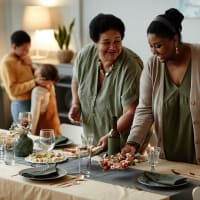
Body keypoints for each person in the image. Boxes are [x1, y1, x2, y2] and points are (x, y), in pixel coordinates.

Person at [122, 8, 200, 164]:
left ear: (175, 40)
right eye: (151, 46)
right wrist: (132, 143)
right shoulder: (152, 66)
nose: (153, 52)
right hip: (168, 160)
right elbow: (145, 109)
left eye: (158, 46)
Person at [68, 13, 143, 149]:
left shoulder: (131, 66)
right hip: (90, 142)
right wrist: (76, 103)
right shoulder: (84, 56)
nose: (113, 47)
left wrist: (112, 134)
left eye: (117, 41)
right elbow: (76, 81)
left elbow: (131, 112)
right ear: (95, 43)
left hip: (123, 146)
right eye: (106, 42)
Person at [0, 30, 45, 123]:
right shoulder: (7, 63)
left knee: (33, 133)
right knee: (24, 134)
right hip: (21, 104)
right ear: (14, 47)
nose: (27, 52)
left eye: (28, 49)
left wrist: (31, 65)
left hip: (32, 99)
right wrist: (34, 82)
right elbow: (13, 90)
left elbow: (34, 74)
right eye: (24, 49)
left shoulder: (24, 57)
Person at [31, 64, 61, 136]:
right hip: (55, 127)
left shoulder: (37, 91)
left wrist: (31, 134)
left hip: (42, 131)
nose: (36, 71)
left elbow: (34, 115)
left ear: (42, 77)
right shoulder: (51, 86)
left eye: (38, 70)